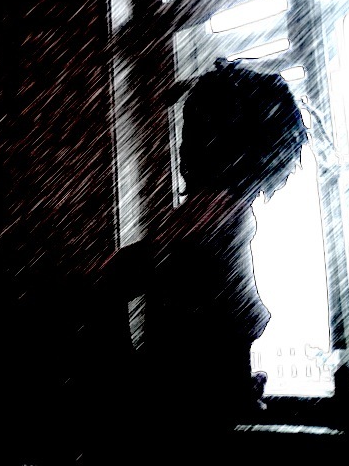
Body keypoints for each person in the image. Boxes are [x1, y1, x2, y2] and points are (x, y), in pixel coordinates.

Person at [90, 59, 309, 457]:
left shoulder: (214, 216)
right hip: (192, 444)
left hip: (186, 434)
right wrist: (153, 399)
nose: (292, 160)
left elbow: (191, 335)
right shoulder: (221, 218)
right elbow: (108, 283)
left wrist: (221, 388)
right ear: (258, 144)